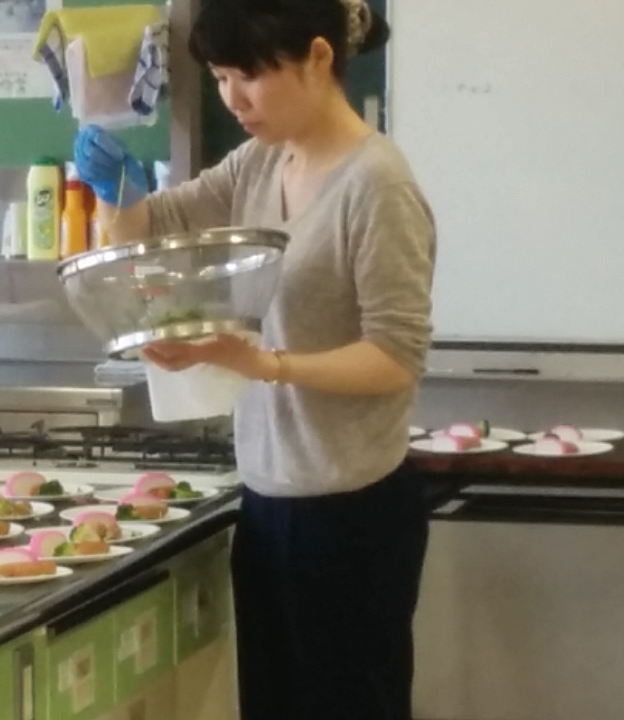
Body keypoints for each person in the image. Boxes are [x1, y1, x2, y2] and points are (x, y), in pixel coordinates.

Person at [73, 0, 436, 718]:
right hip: (269, 501)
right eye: (219, 77)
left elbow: (395, 356)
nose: (233, 99)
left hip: (352, 514)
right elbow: (156, 226)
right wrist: (119, 192)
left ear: (319, 58)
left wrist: (263, 363)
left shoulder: (377, 185)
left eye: (250, 76)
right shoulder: (262, 162)